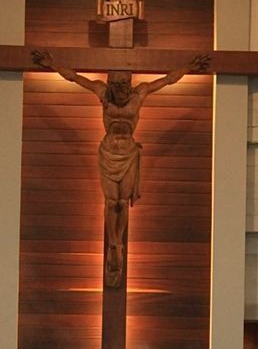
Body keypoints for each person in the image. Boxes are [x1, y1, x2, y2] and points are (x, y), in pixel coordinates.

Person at [31, 48, 210, 286]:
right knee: (110, 202)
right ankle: (114, 242)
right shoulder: (101, 92)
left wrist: (190, 67)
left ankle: (119, 244)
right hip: (108, 153)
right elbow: (74, 77)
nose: (120, 89)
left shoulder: (140, 94)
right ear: (110, 83)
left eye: (124, 84)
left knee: (123, 202)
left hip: (128, 152)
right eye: (116, 84)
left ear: (130, 83)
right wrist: (51, 63)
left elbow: (167, 80)